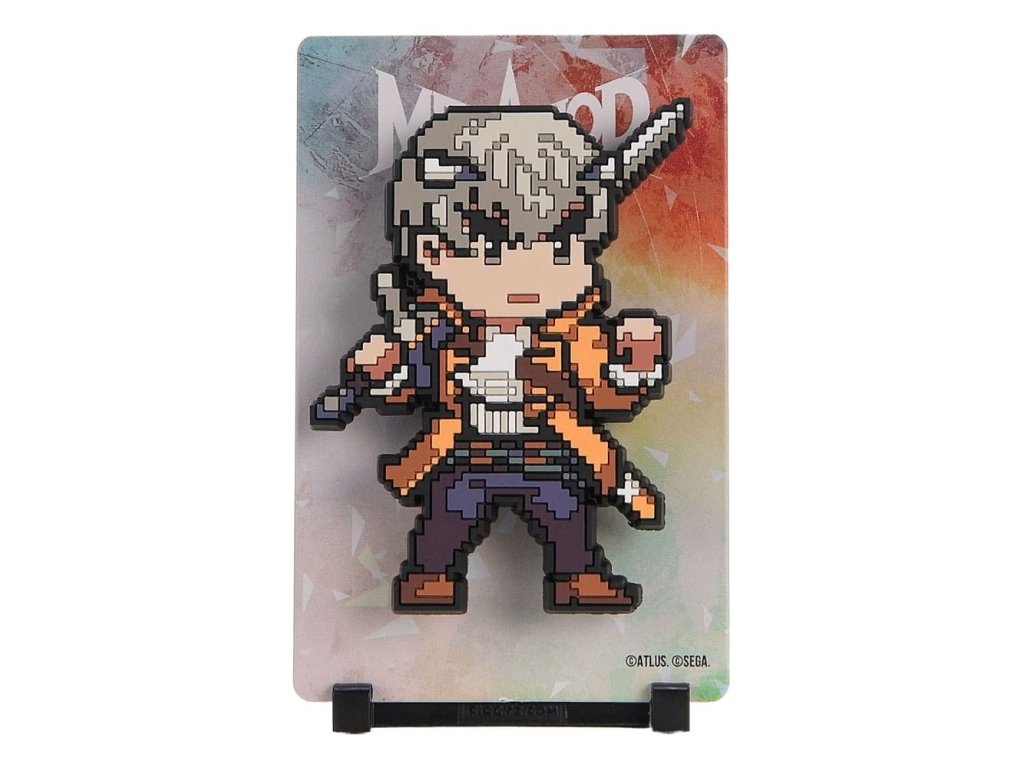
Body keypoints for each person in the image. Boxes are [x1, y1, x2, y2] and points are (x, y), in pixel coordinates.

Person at [312, 101, 692, 613]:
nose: (530, 274)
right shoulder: (438, 333)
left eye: (560, 252)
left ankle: (578, 577)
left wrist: (633, 363)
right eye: (493, 251)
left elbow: (603, 385)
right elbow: (403, 374)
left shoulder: (570, 337)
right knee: (449, 516)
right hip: (465, 449)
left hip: (549, 449)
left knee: (567, 514)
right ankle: (430, 576)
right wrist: (376, 376)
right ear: (430, 252)